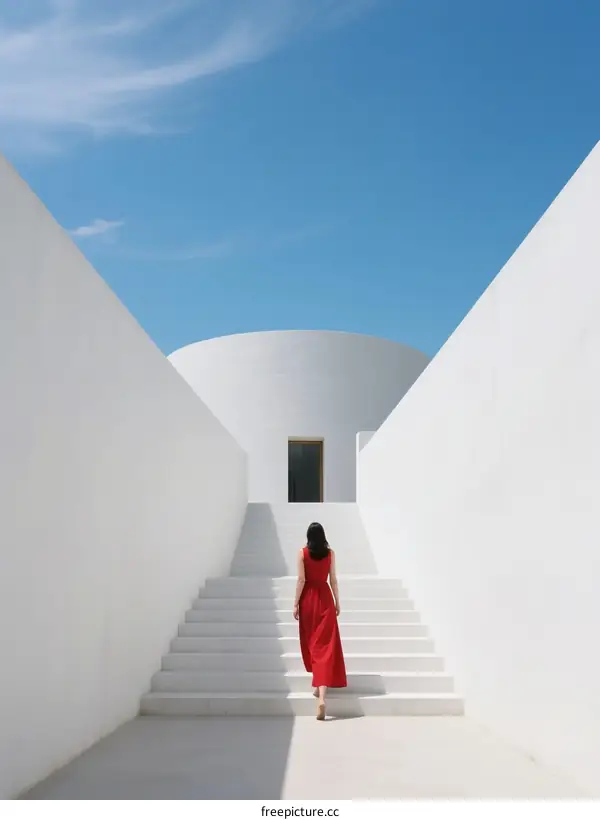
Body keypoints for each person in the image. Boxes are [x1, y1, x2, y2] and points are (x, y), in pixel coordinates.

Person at [293, 522, 347, 720]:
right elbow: (333, 579)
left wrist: (295, 604)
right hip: (325, 599)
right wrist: (337, 602)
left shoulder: (302, 553)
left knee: (314, 646)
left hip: (308, 600)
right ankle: (321, 694)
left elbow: (301, 580)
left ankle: (319, 690)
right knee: (324, 647)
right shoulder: (330, 553)